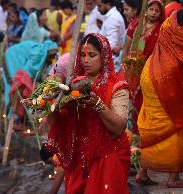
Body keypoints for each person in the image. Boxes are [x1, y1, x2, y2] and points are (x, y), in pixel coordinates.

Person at [47, 34, 130, 193]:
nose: (86, 60)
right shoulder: (75, 82)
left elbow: (119, 127)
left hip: (109, 154)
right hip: (80, 157)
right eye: (83, 55)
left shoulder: (117, 85)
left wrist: (97, 104)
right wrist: (49, 106)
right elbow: (61, 124)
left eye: (92, 55)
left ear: (104, 56)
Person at [136, 1, 183, 188]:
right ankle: (173, 178)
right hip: (168, 79)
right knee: (176, 122)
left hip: (151, 72)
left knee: (153, 123)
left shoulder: (173, 17)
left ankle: (141, 173)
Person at [121, 0, 164, 134]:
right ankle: (123, 131)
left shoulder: (161, 30)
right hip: (130, 70)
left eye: (157, 11)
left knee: (140, 102)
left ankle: (137, 134)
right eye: (151, 9)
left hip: (148, 71)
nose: (154, 13)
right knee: (124, 99)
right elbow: (126, 48)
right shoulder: (135, 25)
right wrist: (124, 66)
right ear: (145, 9)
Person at [3, 40, 58, 105]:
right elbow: (27, 72)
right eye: (51, 55)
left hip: (15, 57)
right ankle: (11, 108)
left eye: (53, 56)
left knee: (19, 84)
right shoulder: (38, 53)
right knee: (15, 84)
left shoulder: (42, 56)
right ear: (47, 51)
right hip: (13, 58)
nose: (52, 58)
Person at [97, 0, 126, 71]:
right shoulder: (111, 16)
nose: (98, 9)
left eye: (100, 6)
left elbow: (112, 44)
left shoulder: (113, 18)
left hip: (111, 62)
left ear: (108, 4)